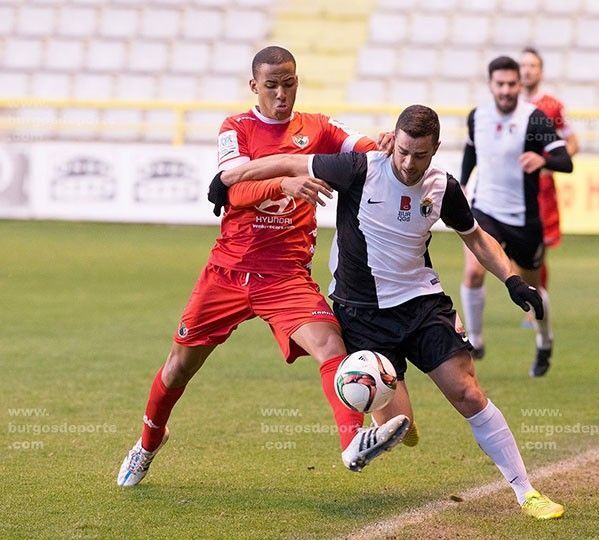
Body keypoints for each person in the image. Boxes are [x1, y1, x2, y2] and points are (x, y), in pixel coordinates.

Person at [221, 104, 566, 520]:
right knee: (398, 428)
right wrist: (229, 177)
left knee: (467, 392)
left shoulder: (443, 187)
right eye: (402, 151)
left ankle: (526, 491)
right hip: (361, 313)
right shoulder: (359, 169)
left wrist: (512, 281)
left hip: (421, 304)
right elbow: (289, 160)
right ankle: (395, 419)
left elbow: (476, 237)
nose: (407, 162)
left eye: (419, 155)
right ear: (394, 141)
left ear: (435, 149)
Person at [117, 46, 409, 487]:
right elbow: (231, 189)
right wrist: (285, 181)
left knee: (331, 346)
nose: (281, 94)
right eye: (271, 85)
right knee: (178, 367)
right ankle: (147, 444)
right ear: (254, 86)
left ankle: (352, 442)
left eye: (288, 84)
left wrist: (384, 141)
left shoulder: (318, 128)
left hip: (285, 276)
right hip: (229, 271)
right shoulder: (235, 128)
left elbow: (362, 150)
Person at [459, 56, 573, 377]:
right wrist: (464, 186)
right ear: (491, 84)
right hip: (485, 211)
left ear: (519, 85)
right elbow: (471, 153)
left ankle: (544, 342)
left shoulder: (534, 119)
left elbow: (566, 160)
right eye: (500, 84)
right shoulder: (477, 116)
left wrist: (543, 160)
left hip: (524, 219)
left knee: (533, 289)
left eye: (511, 84)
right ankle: (476, 341)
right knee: (473, 273)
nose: (506, 90)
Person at [519, 46, 579, 293]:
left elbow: (573, 143)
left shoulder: (552, 106)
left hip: (541, 189)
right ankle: (528, 300)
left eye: (532, 66)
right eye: (523, 65)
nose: (527, 71)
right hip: (511, 185)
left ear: (541, 72)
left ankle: (536, 302)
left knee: (539, 247)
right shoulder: (507, 104)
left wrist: (548, 165)